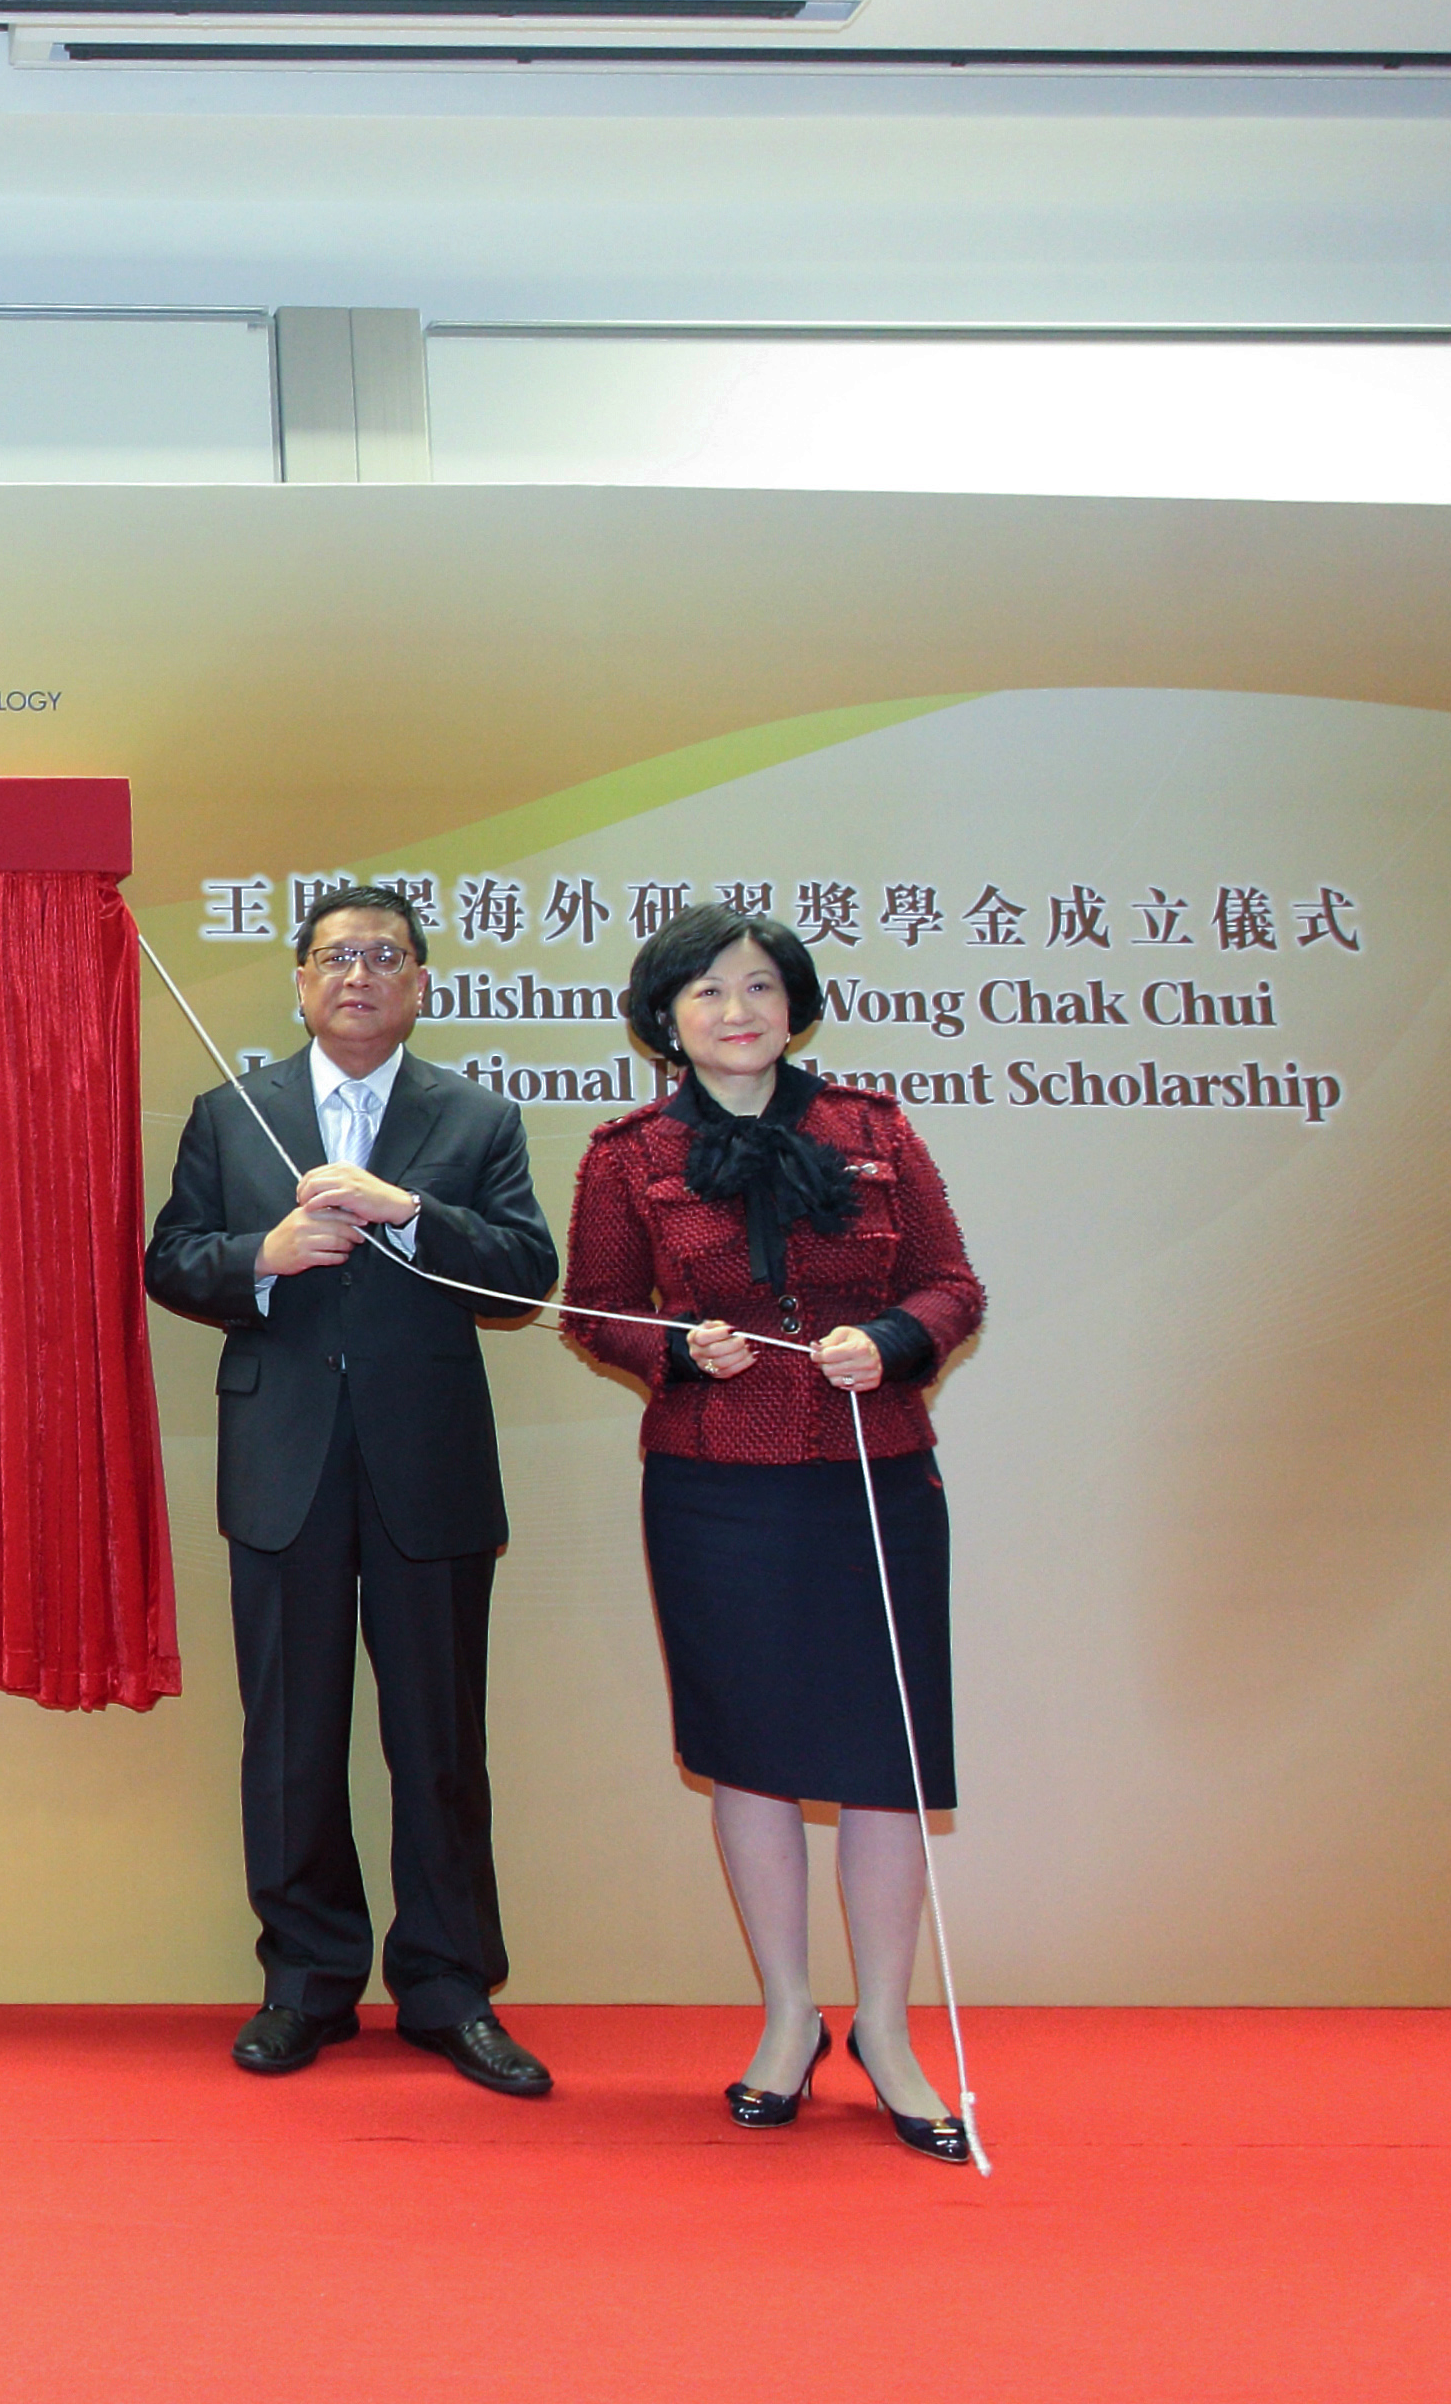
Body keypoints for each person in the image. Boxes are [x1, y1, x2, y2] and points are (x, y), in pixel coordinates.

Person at [560, 902, 986, 2164]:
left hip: (875, 1475)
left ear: (795, 1007)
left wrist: (895, 1338)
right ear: (664, 1022)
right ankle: (789, 2019)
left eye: (758, 986)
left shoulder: (875, 1131)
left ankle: (892, 2032)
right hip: (713, 1483)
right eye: (704, 993)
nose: (735, 1010)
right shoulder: (624, 1153)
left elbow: (953, 1284)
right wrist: (677, 1347)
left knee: (882, 1758)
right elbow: (592, 1306)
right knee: (748, 1752)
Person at [144, 883, 562, 2098]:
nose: (358, 974)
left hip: (427, 1466)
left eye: (384, 956)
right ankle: (306, 1984)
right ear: (301, 981)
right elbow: (171, 1258)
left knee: (438, 1739)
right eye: (334, 956)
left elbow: (528, 1276)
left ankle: (448, 1988)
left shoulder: (475, 1117)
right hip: (282, 1462)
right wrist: (260, 1261)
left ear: (421, 984)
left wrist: (412, 1215)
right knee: (290, 1741)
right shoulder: (233, 1115)